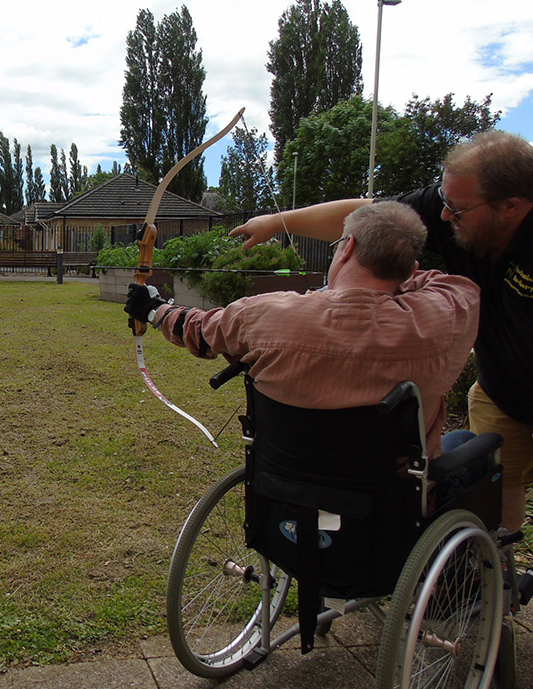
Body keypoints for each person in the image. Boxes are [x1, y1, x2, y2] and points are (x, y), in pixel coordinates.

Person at [229, 131, 533, 533]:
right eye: (443, 201)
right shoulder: (453, 209)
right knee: (503, 485)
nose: (443, 216)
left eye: (456, 210)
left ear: (511, 206)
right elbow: (371, 215)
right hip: (502, 391)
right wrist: (279, 222)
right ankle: (505, 575)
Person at [126, 201, 479, 461]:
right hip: (392, 507)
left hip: (288, 496)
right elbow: (439, 282)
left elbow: (199, 330)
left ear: (348, 247)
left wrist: (155, 309)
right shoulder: (446, 311)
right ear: (410, 269)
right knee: (466, 442)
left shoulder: (265, 313)